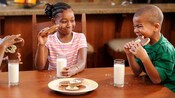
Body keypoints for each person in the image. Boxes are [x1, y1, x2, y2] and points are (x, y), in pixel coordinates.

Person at [124, 5, 175, 92]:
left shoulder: (165, 49)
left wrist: (144, 58)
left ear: (156, 27)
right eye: (134, 26)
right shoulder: (145, 43)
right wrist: (130, 55)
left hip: (167, 89)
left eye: (139, 26)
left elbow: (157, 80)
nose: (135, 30)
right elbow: (137, 72)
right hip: (151, 85)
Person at [35, 2, 87, 77]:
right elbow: (40, 67)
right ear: (54, 22)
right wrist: (41, 45)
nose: (69, 25)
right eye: (64, 21)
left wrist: (73, 70)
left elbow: (82, 62)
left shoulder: (80, 38)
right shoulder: (49, 40)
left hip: (74, 78)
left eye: (72, 20)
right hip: (54, 79)